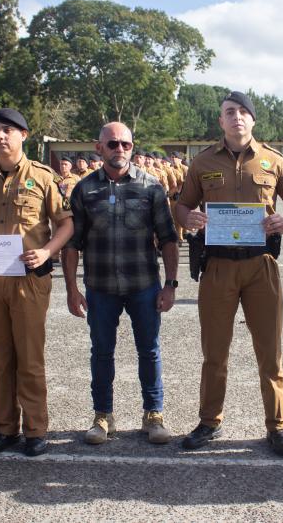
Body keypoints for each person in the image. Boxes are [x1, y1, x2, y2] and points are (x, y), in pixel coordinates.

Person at [176, 91, 283, 456]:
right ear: (220, 121)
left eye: (242, 112)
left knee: (270, 351)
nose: (236, 117)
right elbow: (182, 204)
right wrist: (187, 218)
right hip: (218, 266)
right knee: (214, 352)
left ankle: (278, 426)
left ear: (252, 120)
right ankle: (209, 421)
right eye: (229, 112)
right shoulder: (201, 162)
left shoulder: (273, 161)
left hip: (260, 266)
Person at [0, 108, 73, 457]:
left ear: (24, 135)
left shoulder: (44, 177)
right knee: (2, 359)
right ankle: (5, 428)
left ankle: (36, 429)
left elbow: (66, 224)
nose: (0, 136)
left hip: (28, 279)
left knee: (30, 358)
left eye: (8, 130)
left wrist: (48, 251)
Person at [62, 122, 179, 446]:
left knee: (149, 351)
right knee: (101, 352)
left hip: (144, 285)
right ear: (99, 148)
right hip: (100, 288)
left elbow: (168, 238)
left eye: (126, 144)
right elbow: (72, 243)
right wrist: (71, 289)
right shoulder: (84, 189)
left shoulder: (151, 187)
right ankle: (103, 416)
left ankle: (153, 414)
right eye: (112, 144)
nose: (120, 150)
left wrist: (170, 284)